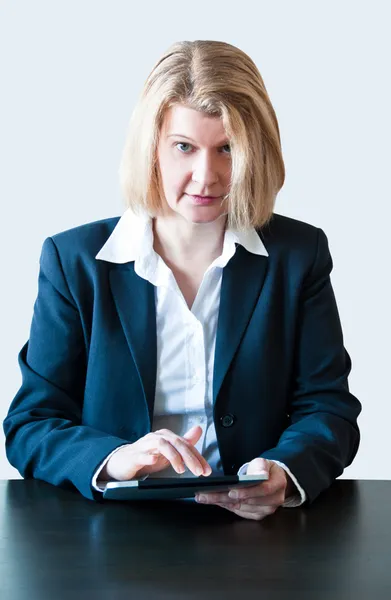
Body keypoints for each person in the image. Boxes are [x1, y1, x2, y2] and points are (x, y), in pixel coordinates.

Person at [3, 40, 361, 521]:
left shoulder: (299, 256)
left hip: (253, 536)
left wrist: (282, 470)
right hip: (114, 533)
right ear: (152, 150)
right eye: (184, 147)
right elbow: (31, 425)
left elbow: (329, 408)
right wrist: (115, 459)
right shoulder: (75, 261)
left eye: (227, 149)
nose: (206, 176)